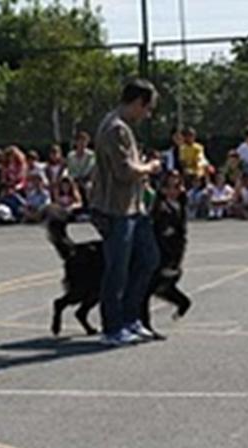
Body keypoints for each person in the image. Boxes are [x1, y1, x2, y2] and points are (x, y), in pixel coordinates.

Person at [90, 79, 163, 346]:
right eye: (148, 108)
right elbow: (124, 172)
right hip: (115, 208)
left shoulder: (121, 127)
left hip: (134, 207)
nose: (148, 114)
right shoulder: (115, 129)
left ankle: (131, 318)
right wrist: (149, 167)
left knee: (148, 259)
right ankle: (112, 327)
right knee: (117, 270)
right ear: (137, 103)